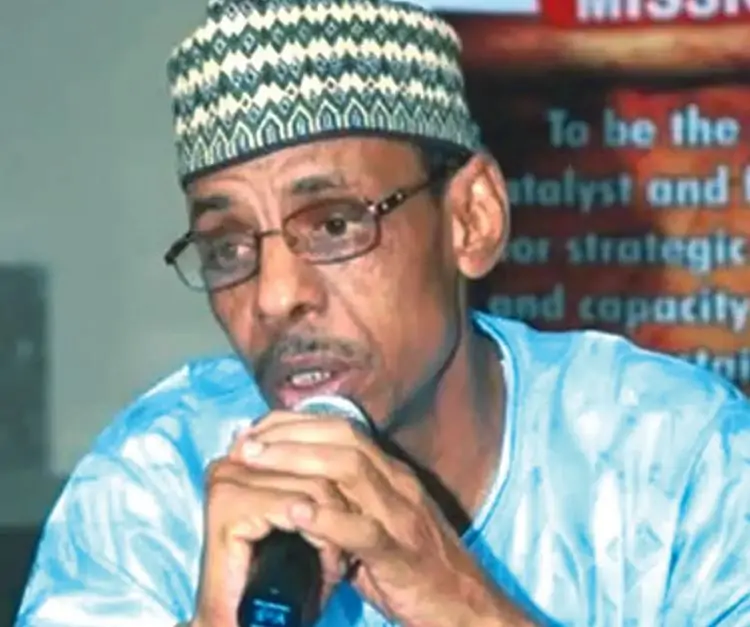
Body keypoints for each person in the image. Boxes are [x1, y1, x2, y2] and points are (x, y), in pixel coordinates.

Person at [15, 0, 750, 625]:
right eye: (228, 246)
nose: (274, 297)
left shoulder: (678, 460)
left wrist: (461, 604)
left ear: (471, 219)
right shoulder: (156, 482)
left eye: (335, 224)